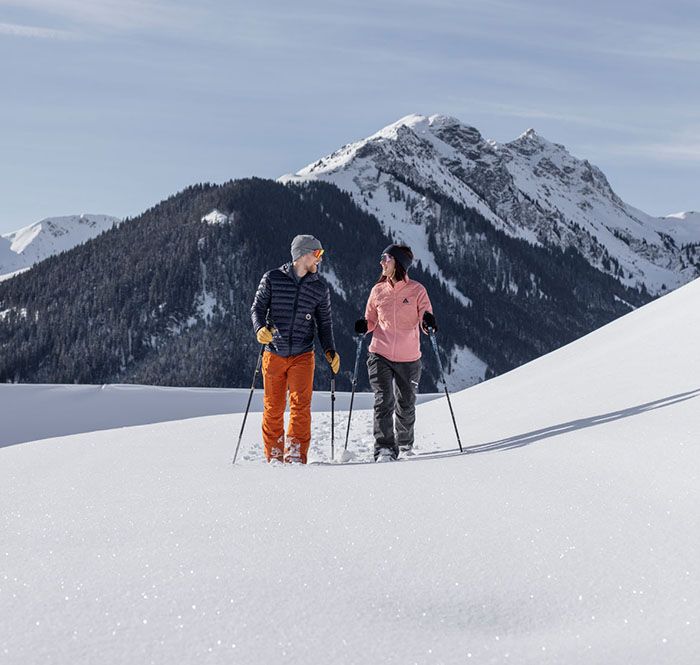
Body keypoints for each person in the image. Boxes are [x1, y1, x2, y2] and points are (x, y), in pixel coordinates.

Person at [251, 235, 340, 464]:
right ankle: (274, 454)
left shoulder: (319, 288)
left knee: (301, 407)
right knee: (274, 408)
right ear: (303, 254)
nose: (320, 260)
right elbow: (257, 308)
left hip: (303, 354)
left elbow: (325, 323)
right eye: (317, 254)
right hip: (274, 352)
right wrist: (260, 328)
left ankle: (296, 455)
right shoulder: (272, 278)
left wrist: (330, 350)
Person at [355, 244, 436, 462]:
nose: (381, 262)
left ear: (398, 263)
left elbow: (424, 318)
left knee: (406, 404)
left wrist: (428, 323)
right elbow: (371, 319)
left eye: (386, 258)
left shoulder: (417, 291)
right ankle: (384, 448)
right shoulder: (377, 290)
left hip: (409, 357)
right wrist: (365, 325)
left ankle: (405, 443)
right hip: (379, 353)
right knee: (384, 400)